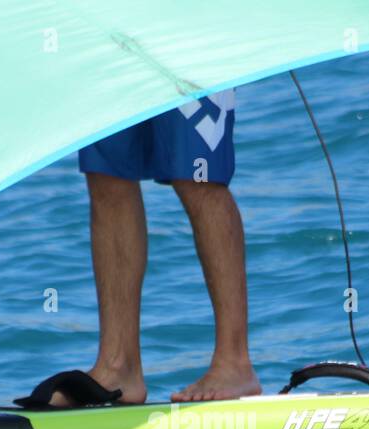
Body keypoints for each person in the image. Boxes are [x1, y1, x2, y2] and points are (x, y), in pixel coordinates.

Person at [15, 90, 262, 408]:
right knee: (106, 173)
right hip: (104, 42)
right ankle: (119, 367)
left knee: (198, 174)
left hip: (186, 42)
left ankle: (234, 364)